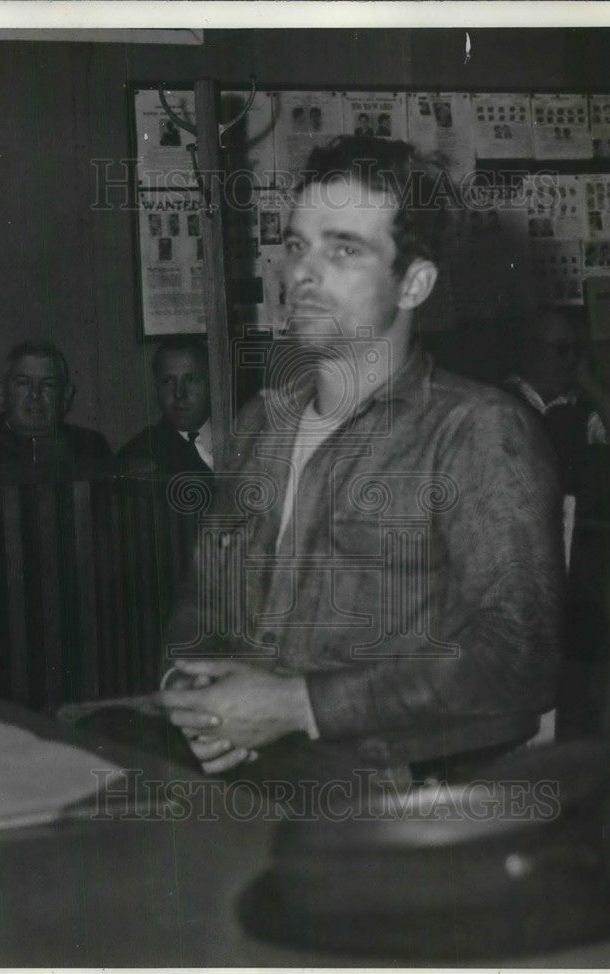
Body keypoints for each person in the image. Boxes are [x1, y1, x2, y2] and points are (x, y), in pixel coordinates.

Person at [160, 136, 564, 779]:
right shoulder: (261, 421)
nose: (301, 274)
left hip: (381, 787)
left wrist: (298, 706)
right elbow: (203, 605)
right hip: (235, 767)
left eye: (344, 249)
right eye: (296, 246)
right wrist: (192, 690)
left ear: (414, 282)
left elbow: (519, 658)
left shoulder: (477, 430)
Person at [504, 309, 610, 500]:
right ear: (534, 350)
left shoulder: (578, 410)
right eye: (562, 348)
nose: (571, 358)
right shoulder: (500, 401)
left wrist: (587, 380)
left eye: (575, 350)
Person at [0, 340, 111, 466]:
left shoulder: (91, 448)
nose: (35, 394)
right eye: (23, 383)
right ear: (2, 392)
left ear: (66, 395)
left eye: (48, 384)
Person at [117, 338, 213, 474]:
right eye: (168, 381)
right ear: (156, 388)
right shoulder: (137, 452)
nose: (179, 393)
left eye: (191, 380)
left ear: (211, 384)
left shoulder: (241, 435)